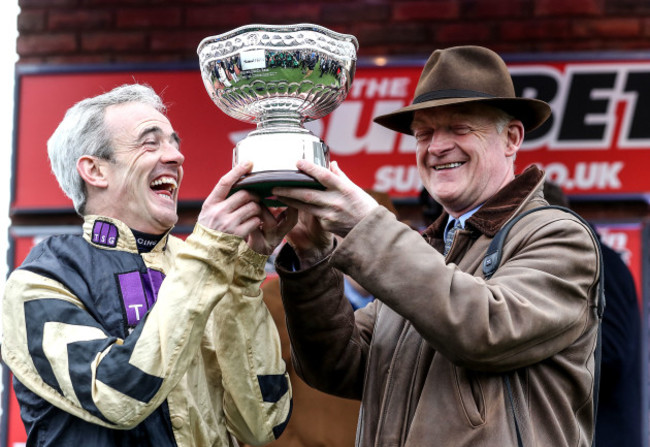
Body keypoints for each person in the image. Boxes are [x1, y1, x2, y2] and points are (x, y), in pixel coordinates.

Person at [271, 45, 602, 446]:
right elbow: (337, 366)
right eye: (424, 133)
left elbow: (484, 330)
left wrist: (367, 225)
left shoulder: (558, 236)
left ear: (512, 138)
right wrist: (312, 256)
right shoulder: (428, 251)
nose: (436, 146)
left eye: (459, 128)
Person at [0, 84, 294, 447]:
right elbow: (118, 395)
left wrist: (247, 271)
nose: (176, 157)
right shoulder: (43, 278)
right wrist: (209, 252)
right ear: (95, 170)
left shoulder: (204, 263)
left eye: (175, 143)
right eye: (150, 143)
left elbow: (263, 423)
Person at [543, 181, 642, 447]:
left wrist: (537, 351)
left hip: (604, 435)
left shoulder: (601, 264)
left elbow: (611, 353)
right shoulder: (584, 262)